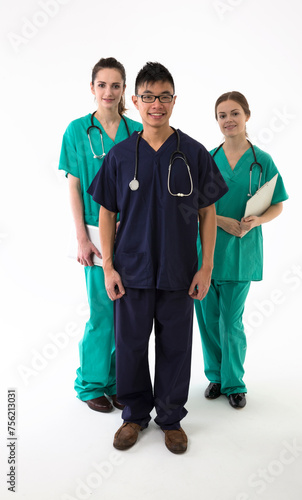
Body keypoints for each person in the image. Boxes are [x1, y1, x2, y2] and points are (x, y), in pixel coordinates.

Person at [87, 62, 228, 453]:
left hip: (179, 271)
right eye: (148, 96)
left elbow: (208, 213)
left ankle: (170, 418)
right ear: (135, 101)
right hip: (131, 272)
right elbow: (106, 213)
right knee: (130, 346)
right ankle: (134, 416)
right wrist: (109, 266)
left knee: (176, 348)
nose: (156, 104)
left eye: (164, 96)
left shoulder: (194, 153)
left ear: (174, 101)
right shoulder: (119, 156)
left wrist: (207, 266)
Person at [58, 57, 143, 413]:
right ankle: (91, 383)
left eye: (116, 85)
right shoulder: (78, 131)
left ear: (125, 91)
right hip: (95, 233)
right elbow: (75, 187)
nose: (109, 92)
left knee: (128, 314)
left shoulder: (137, 130)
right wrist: (81, 237)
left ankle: (117, 382)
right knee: (102, 311)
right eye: (102, 85)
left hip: (134, 233)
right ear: (92, 88)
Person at [195, 91, 289, 409]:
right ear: (217, 121)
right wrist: (220, 220)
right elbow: (193, 206)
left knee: (231, 321)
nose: (228, 120)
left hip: (241, 252)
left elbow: (277, 204)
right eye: (222, 115)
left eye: (234, 113)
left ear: (247, 115)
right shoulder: (207, 159)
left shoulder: (262, 161)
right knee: (208, 319)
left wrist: (257, 220)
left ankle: (234, 382)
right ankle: (217, 377)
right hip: (206, 251)